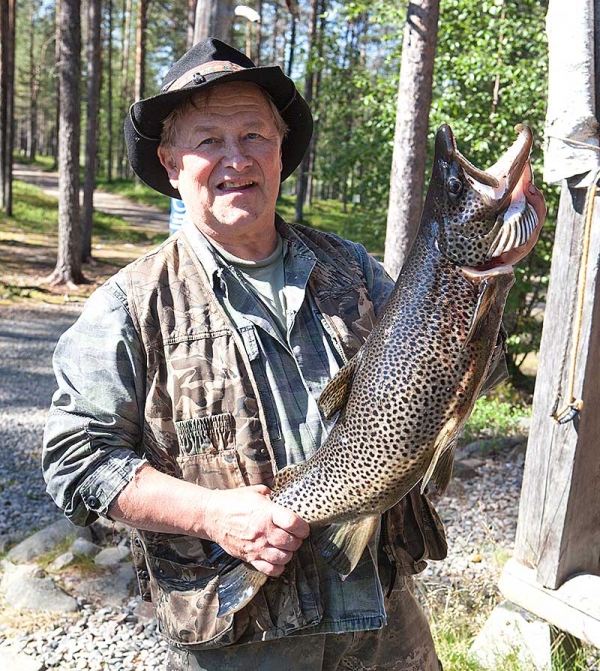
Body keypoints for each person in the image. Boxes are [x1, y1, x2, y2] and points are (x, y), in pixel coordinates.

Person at [42, 38, 545, 670]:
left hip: (384, 622)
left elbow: (464, 376)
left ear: (281, 150)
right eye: (208, 141)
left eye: (254, 134)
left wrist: (497, 275)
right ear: (171, 163)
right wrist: (213, 515)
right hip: (241, 641)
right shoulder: (129, 305)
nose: (236, 158)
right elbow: (74, 460)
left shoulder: (354, 269)